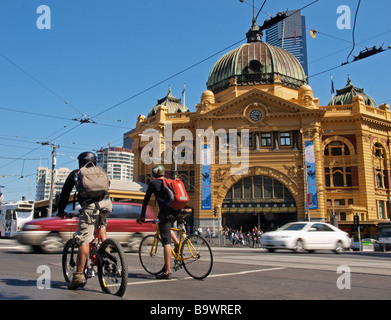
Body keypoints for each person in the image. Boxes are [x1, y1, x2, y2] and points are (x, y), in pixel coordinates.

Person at [57, 151, 112, 290]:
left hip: (89, 207)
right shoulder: (101, 171)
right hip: (106, 204)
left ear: (80, 162)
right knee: (102, 225)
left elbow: (64, 194)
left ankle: (78, 275)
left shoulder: (76, 173)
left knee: (84, 239)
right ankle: (106, 251)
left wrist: (61, 211)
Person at [139, 164, 180, 280]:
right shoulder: (169, 181)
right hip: (176, 212)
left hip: (165, 213)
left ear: (154, 174)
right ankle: (177, 243)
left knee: (166, 242)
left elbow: (146, 200)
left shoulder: (153, 183)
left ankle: (167, 271)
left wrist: (142, 216)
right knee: (166, 229)